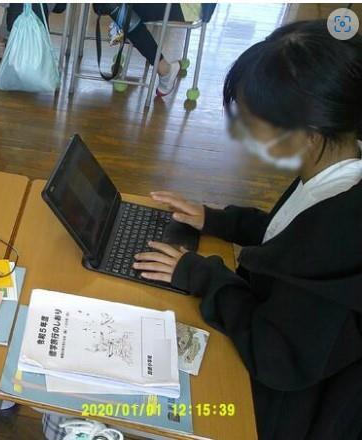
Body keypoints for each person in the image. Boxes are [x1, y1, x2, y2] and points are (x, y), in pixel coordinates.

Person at [133, 20, 362, 439]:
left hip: (278, 412)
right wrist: (217, 219)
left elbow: (275, 354)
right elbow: (286, 237)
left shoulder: (340, 234)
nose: (243, 136)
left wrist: (202, 274)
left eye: (255, 123)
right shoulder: (340, 167)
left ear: (308, 136)